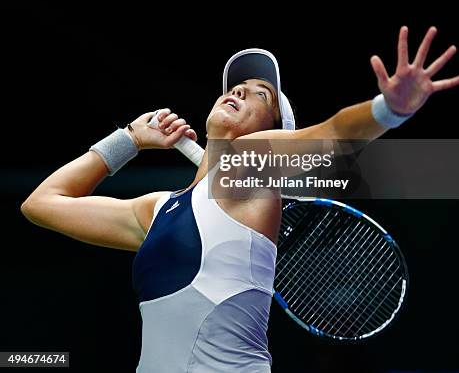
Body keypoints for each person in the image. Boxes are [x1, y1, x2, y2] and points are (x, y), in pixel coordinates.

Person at [20, 27, 458, 372]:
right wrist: (129, 139)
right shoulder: (157, 210)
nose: (240, 91)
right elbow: (41, 204)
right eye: (238, 86)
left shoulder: (246, 167)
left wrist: (391, 108)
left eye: (260, 95)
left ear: (269, 133)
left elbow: (335, 133)